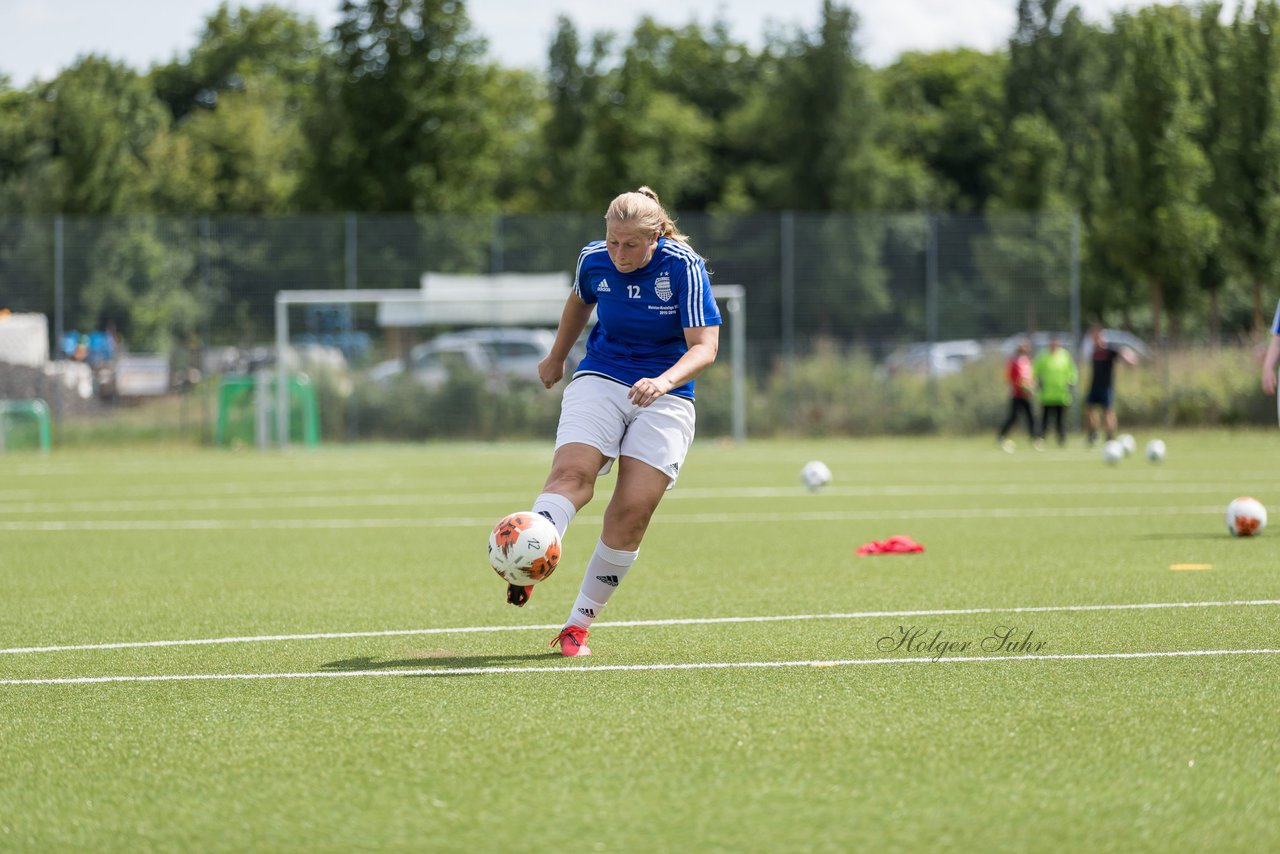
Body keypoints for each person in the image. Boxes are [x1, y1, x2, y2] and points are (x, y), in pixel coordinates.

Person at [508, 186, 722, 657]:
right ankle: (530, 555)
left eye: (630, 245)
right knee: (572, 476)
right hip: (601, 376)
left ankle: (576, 627)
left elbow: (704, 347)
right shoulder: (593, 259)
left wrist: (662, 382)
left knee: (631, 512)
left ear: (655, 237)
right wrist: (556, 357)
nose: (618, 254)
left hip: (666, 392)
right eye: (612, 242)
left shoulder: (683, 265)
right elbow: (579, 302)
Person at [1083, 324, 1137, 446]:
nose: (1095, 339)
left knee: (1107, 412)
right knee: (1089, 410)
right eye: (1093, 337)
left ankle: (1110, 436)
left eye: (1097, 336)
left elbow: (1123, 351)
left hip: (1106, 387)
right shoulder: (1094, 352)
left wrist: (1130, 359)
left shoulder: (1109, 351)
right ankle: (1093, 434)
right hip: (1094, 386)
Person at [1033, 335, 1078, 446]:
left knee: (1060, 420)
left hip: (1062, 394)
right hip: (1047, 394)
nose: (1054, 345)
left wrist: (1072, 381)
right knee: (1045, 419)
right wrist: (1036, 382)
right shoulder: (1043, 356)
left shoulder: (1065, 355)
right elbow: (1034, 369)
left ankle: (1061, 440)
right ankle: (1041, 438)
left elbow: (1072, 370)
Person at [996, 339, 1036, 451]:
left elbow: (1029, 377)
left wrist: (1031, 386)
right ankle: (1001, 436)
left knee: (1031, 417)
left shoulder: (1026, 361)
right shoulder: (1014, 361)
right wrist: (1021, 386)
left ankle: (1034, 438)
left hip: (1026, 395)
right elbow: (1011, 378)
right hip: (1017, 394)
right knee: (1013, 417)